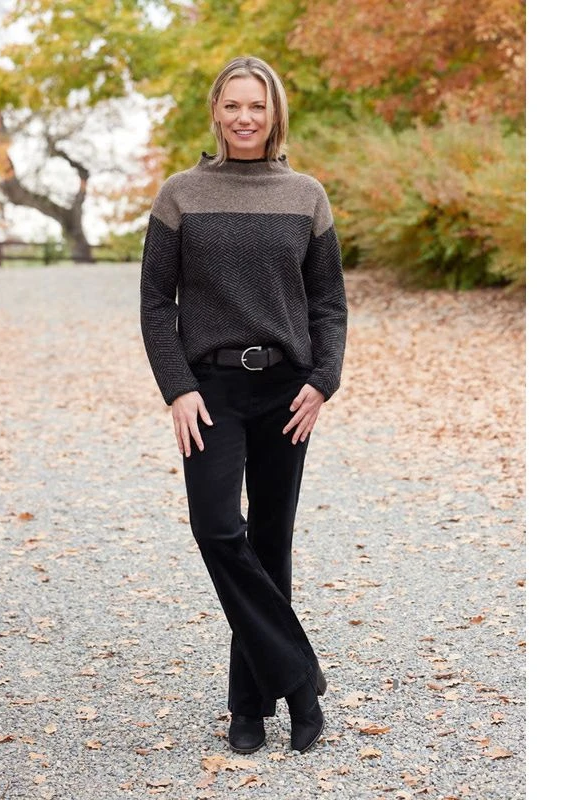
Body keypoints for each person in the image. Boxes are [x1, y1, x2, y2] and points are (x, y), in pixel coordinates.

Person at [139, 55, 347, 755]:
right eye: (233, 104)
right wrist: (178, 387)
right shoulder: (180, 195)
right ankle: (299, 676)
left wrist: (324, 379)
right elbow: (155, 303)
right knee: (217, 528)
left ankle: (248, 708)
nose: (245, 117)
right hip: (211, 391)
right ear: (216, 111)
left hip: (288, 391)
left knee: (271, 542)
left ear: (274, 112)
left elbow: (329, 303)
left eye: (256, 105)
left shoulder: (306, 196)